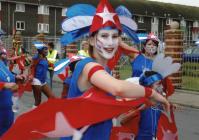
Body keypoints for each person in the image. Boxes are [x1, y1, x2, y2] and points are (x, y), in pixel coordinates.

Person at [60, 0, 170, 140]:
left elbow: (110, 101)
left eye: (115, 36)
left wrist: (143, 102)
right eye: (104, 36)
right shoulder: (88, 66)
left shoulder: (105, 69)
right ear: (92, 40)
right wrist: (153, 93)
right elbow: (118, 88)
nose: (110, 42)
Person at [0, 46, 26, 136]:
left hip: (7, 105)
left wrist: (16, 77)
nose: (2, 46)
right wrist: (3, 85)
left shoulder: (1, 62)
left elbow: (7, 76)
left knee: (8, 131)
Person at [29, 42, 55, 108]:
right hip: (36, 80)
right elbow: (30, 67)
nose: (47, 51)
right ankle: (32, 116)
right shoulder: (36, 58)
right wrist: (31, 75)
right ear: (40, 50)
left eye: (47, 49)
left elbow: (49, 64)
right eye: (45, 49)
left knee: (52, 97)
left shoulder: (45, 58)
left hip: (43, 81)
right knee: (38, 101)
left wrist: (53, 66)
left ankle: (47, 111)